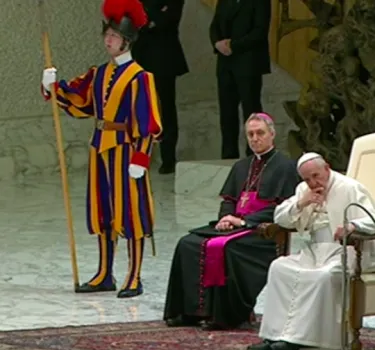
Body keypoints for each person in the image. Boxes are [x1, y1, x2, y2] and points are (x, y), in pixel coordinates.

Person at [41, 0, 161, 298]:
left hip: (126, 150)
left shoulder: (140, 78)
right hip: (100, 149)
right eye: (106, 35)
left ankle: (134, 276)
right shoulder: (99, 74)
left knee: (131, 214)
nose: (108, 40)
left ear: (127, 40)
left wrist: (141, 157)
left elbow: (147, 122)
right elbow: (79, 100)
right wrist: (52, 86)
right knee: (103, 211)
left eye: (114, 36)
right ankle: (105, 273)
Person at [163, 113, 300, 330]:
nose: (255, 138)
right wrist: (226, 219)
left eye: (260, 133)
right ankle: (188, 312)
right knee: (187, 243)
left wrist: (245, 222)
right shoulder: (241, 166)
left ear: (272, 134)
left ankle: (227, 315)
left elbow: (284, 208)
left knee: (226, 249)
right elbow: (229, 200)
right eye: (250, 134)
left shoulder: (285, 167)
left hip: (263, 233)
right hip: (233, 227)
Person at [246, 153, 375, 350]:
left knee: (322, 276)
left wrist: (352, 226)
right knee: (279, 267)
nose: (313, 182)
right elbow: (280, 218)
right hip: (315, 250)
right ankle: (273, 336)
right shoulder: (304, 190)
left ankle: (297, 340)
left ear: (327, 168)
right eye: (307, 179)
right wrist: (301, 203)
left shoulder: (349, 187)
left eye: (316, 176)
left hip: (349, 251)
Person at [131, 0, 189, 174]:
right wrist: (153, 14)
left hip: (165, 58)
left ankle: (168, 158)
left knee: (166, 108)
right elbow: (134, 21)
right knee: (140, 107)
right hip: (141, 57)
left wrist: (149, 13)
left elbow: (167, 22)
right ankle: (139, 155)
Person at [210, 0, 272, 160]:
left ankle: (255, 155)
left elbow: (260, 31)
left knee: (251, 110)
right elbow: (215, 25)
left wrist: (234, 45)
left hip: (248, 63)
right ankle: (229, 155)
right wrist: (217, 43)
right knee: (227, 113)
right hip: (225, 64)